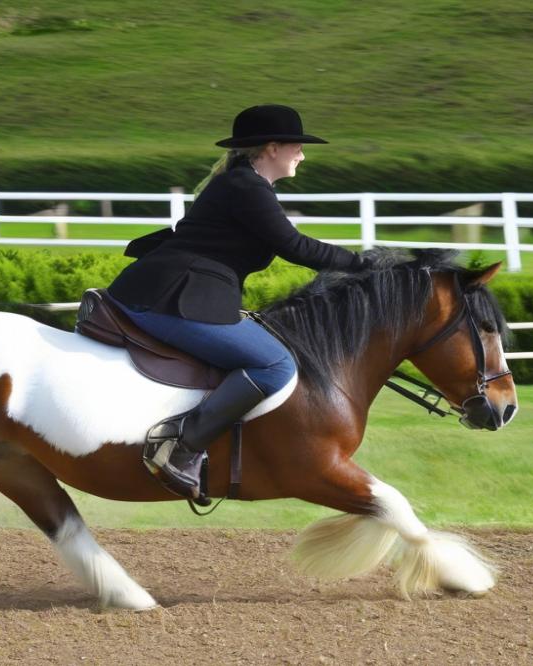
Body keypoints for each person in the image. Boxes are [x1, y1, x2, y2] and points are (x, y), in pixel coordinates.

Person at [106, 103, 368, 504]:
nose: (303, 154)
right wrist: (364, 264)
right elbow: (294, 246)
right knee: (275, 364)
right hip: (167, 299)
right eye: (296, 146)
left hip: (169, 292)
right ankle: (180, 448)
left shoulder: (245, 184)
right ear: (271, 147)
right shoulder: (245, 187)